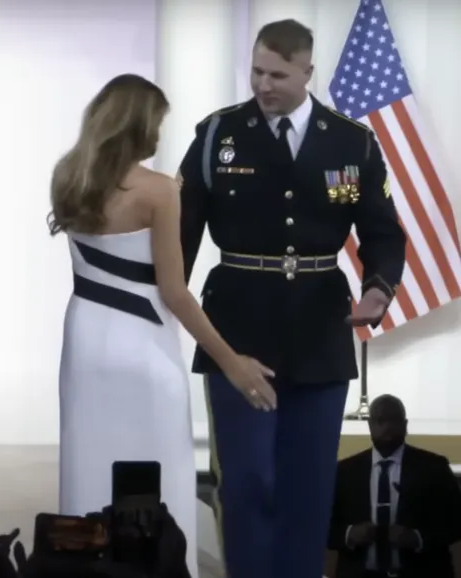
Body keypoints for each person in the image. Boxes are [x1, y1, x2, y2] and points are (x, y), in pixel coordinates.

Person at [177, 20, 407, 578]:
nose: (263, 84)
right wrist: (164, 306)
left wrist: (378, 289)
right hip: (238, 330)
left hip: (320, 333)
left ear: (308, 72)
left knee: (308, 485)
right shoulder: (218, 134)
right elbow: (179, 233)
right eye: (257, 71)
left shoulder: (351, 142)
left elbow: (383, 231)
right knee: (248, 478)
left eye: (277, 75)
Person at [49, 73, 277, 578]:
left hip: (85, 338)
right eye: (157, 123)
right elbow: (174, 292)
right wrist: (231, 361)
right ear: (140, 125)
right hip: (144, 343)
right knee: (159, 470)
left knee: (89, 465)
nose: (158, 134)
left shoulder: (67, 176)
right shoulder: (159, 191)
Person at [327, 395, 461, 578]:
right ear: (370, 425)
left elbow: (456, 522)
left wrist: (417, 538)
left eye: (394, 420)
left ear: (405, 425)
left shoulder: (434, 467)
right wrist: (349, 534)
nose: (387, 427)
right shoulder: (345, 471)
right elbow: (322, 526)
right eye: (381, 420)